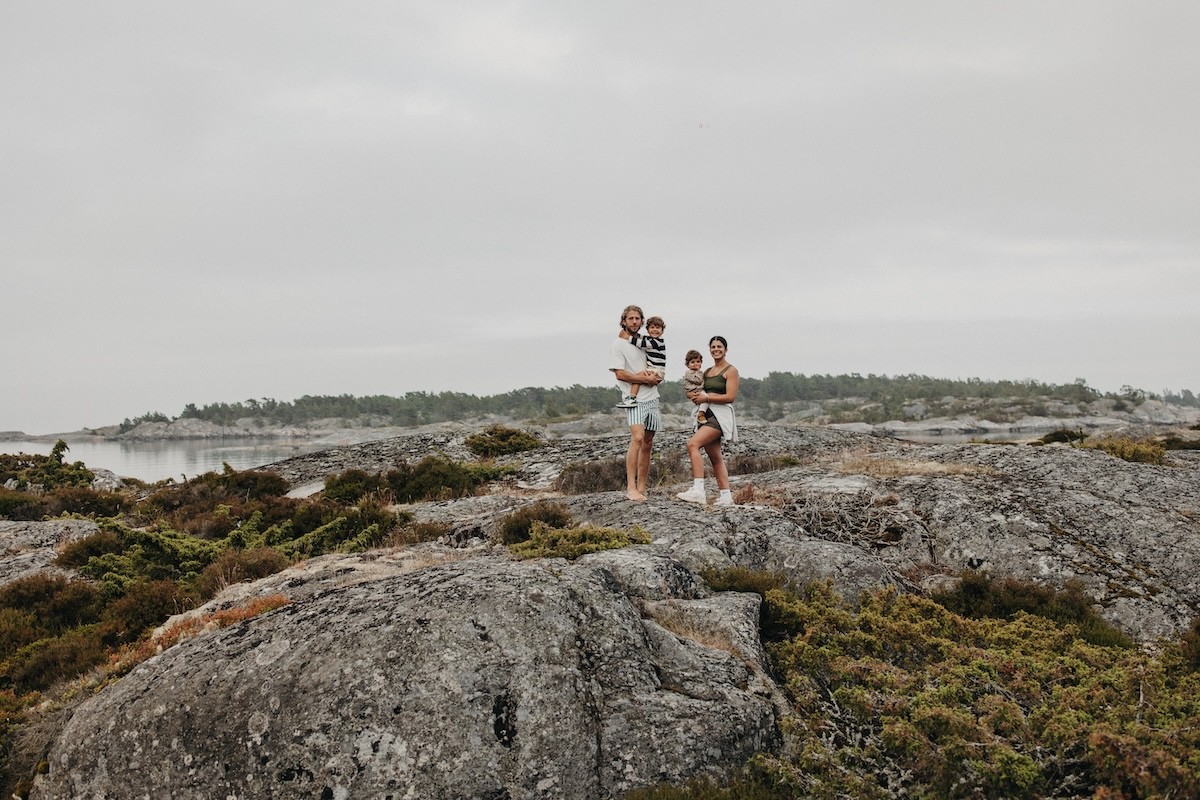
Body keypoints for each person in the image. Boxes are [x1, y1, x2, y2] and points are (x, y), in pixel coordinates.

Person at [609, 305, 663, 501]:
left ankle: (642, 487)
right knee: (637, 438)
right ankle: (631, 488)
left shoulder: (645, 342)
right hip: (634, 399)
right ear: (624, 321)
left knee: (648, 442)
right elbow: (619, 373)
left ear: (642, 321)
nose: (634, 322)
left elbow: (657, 363)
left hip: (652, 397)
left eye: (637, 318)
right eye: (630, 318)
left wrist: (655, 377)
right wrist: (642, 378)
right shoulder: (618, 344)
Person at [677, 336, 739, 506]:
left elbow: (730, 397)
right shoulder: (706, 371)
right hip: (705, 415)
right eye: (713, 346)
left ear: (726, 349)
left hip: (720, 416)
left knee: (693, 444)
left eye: (719, 346)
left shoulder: (730, 370)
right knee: (715, 457)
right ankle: (726, 497)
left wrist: (707, 396)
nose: (716, 349)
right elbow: (696, 390)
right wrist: (693, 396)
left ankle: (698, 490)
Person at [615, 316, 667, 408]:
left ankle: (631, 398)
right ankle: (632, 398)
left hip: (657, 371)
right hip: (655, 370)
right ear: (647, 330)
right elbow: (642, 338)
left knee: (637, 378)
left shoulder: (657, 342)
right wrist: (632, 335)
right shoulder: (651, 339)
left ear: (662, 331)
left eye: (658, 328)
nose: (655, 330)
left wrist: (628, 337)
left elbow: (642, 343)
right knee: (638, 378)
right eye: (652, 327)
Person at [681, 349, 706, 423]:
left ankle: (699, 414)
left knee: (704, 401)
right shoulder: (689, 373)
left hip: (698, 390)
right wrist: (699, 372)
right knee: (706, 398)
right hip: (694, 390)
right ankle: (701, 414)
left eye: (698, 361)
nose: (695, 364)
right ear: (688, 365)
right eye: (692, 362)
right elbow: (698, 381)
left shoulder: (697, 372)